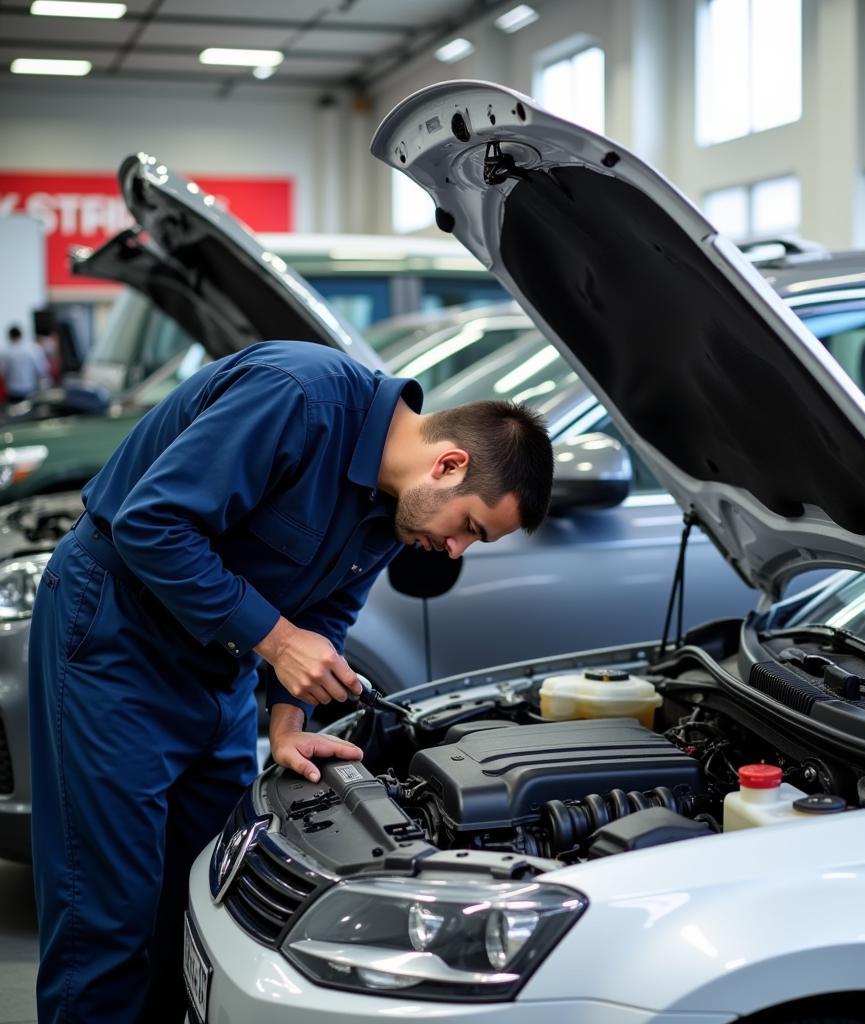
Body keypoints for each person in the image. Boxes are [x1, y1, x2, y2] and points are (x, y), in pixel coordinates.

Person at [28, 339, 554, 1024]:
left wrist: (287, 724)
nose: (455, 551)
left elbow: (327, 609)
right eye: (470, 529)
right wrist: (277, 642)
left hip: (219, 671)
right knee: (106, 916)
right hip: (114, 640)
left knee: (199, 901)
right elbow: (151, 523)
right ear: (448, 464)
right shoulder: (297, 397)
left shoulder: (398, 507)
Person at [2, 323, 49, 403]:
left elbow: (2, 372)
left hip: (13, 391)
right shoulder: (33, 348)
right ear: (21, 335)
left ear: (9, 336)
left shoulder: (5, 352)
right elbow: (42, 369)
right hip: (31, 389)